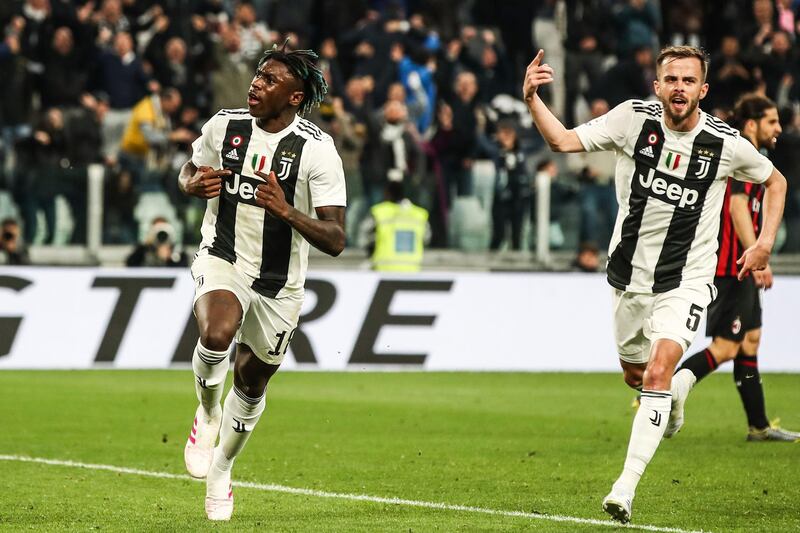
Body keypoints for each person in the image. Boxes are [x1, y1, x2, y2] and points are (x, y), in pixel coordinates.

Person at [523, 45, 787, 523]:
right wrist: (533, 101)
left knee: (659, 372)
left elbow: (776, 182)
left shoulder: (724, 142)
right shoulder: (631, 120)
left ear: (703, 90)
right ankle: (675, 398)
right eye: (672, 79)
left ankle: (624, 488)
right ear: (658, 86)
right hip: (629, 277)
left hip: (686, 279)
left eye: (689, 81)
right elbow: (562, 142)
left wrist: (765, 242)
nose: (680, 88)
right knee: (637, 375)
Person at [177, 43, 345, 521]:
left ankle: (222, 469)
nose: (256, 84)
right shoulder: (223, 125)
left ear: (294, 98)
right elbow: (189, 168)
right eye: (258, 75)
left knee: (251, 383)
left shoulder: (317, 150)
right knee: (215, 334)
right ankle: (207, 414)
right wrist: (190, 183)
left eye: (270, 80)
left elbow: (335, 238)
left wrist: (287, 210)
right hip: (223, 255)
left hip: (280, 283)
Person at [676, 94, 800, 442]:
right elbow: (737, 205)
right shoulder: (743, 154)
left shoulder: (752, 156)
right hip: (733, 266)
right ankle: (661, 392)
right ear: (751, 124)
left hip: (740, 264)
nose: (778, 128)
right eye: (772, 121)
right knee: (727, 346)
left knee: (749, 342)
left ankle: (758, 426)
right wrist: (756, 254)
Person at [362, 178, 429, 271]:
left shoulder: (379, 212)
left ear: (387, 193)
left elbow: (365, 238)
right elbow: (426, 239)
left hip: (384, 271)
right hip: (412, 270)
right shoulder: (419, 214)